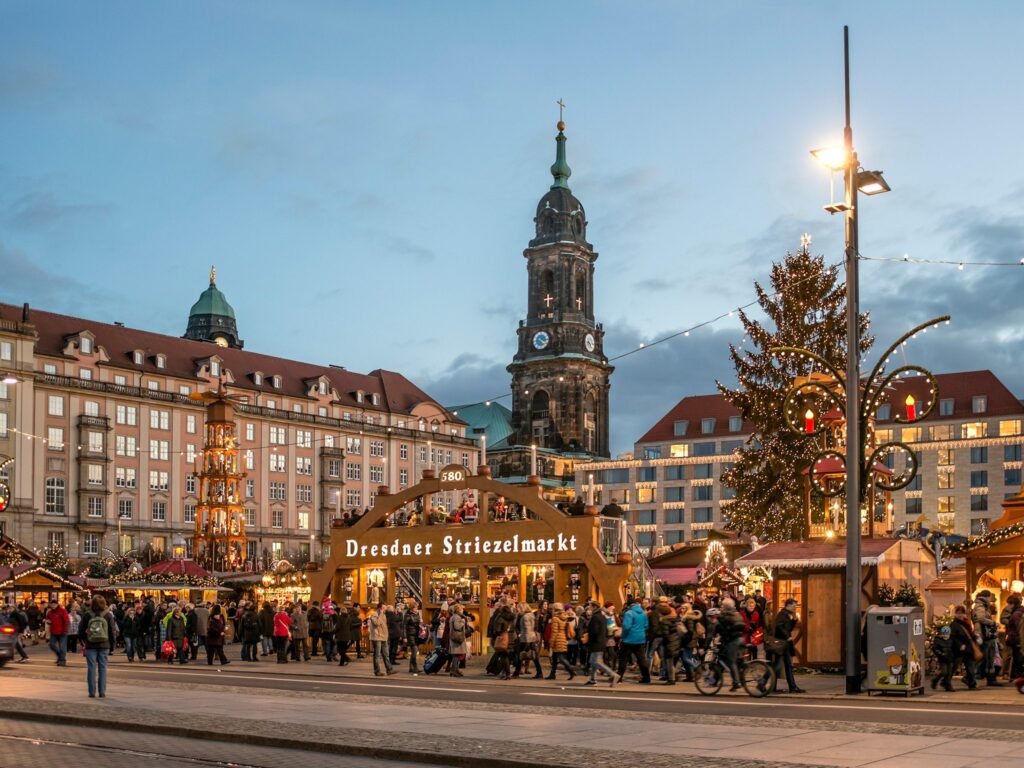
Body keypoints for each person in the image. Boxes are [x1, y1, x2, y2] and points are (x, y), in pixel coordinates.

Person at [79, 595, 116, 698]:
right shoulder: (108, 615)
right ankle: (102, 692)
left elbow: (80, 631)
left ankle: (91, 692)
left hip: (90, 645)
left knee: (91, 668)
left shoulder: (87, 615)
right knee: (103, 668)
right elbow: (112, 631)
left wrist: (84, 642)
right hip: (104, 644)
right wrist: (112, 645)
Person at [770, 598, 804, 693]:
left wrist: (794, 621)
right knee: (777, 666)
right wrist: (787, 636)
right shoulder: (782, 614)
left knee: (788, 665)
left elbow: (788, 628)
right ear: (788, 605)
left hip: (785, 644)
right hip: (781, 644)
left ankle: (792, 687)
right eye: (794, 605)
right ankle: (763, 683)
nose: (795, 607)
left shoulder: (787, 614)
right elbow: (779, 626)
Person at [615, 598, 651, 684]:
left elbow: (626, 627)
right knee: (642, 659)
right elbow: (646, 626)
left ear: (629, 605)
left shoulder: (629, 613)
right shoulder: (643, 613)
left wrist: (623, 636)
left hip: (629, 639)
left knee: (623, 659)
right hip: (640, 639)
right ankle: (646, 678)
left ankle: (619, 678)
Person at [715, 597, 746, 691]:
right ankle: (740, 681)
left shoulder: (725, 616)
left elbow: (720, 629)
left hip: (733, 641)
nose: (721, 607)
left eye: (722, 606)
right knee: (738, 662)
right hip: (741, 639)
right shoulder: (737, 614)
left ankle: (736, 683)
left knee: (731, 661)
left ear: (725, 607)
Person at [973, 591, 1001, 686]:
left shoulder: (982, 605)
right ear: (986, 597)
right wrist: (993, 623)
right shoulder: (980, 605)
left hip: (985, 635)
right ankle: (970, 677)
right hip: (983, 635)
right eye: (990, 597)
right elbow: (981, 618)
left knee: (989, 657)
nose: (991, 599)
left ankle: (991, 679)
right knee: (984, 657)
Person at [585, 602, 617, 687]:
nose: (590, 609)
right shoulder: (602, 616)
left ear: (595, 607)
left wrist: (589, 639)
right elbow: (607, 630)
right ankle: (593, 679)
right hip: (602, 641)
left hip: (596, 642)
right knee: (593, 661)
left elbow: (594, 631)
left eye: (591, 607)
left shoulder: (595, 617)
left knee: (595, 662)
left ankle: (613, 674)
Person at [545, 603, 576, 680]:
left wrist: (551, 643)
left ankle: (571, 671)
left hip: (557, 639)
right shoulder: (564, 617)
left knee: (561, 658)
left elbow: (554, 632)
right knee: (555, 658)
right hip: (563, 638)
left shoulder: (555, 618)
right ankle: (552, 674)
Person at [950, 605, 978, 689]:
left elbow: (970, 634)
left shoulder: (966, 623)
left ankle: (972, 684)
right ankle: (945, 681)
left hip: (968, 649)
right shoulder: (954, 624)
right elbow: (953, 637)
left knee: (971, 667)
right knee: (953, 667)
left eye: (961, 613)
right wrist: (960, 644)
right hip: (959, 650)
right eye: (958, 613)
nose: (960, 615)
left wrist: (975, 638)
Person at [489, 599, 517, 680]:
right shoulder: (513, 617)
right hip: (511, 638)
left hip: (503, 639)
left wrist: (495, 635)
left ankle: (507, 674)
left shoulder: (500, 618)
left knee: (503, 656)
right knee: (507, 656)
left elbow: (497, 629)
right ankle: (506, 673)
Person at [515, 602, 540, 679]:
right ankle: (539, 672)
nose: (517, 609)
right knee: (534, 656)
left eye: (518, 608)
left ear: (522, 608)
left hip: (526, 638)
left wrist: (527, 641)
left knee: (519, 656)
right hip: (531, 637)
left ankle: (516, 673)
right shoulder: (531, 615)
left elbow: (527, 629)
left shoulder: (525, 617)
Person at [369, 602, 395, 676]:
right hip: (377, 637)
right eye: (383, 608)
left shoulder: (384, 615)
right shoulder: (375, 614)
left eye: (385, 608)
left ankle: (389, 670)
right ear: (379, 608)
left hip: (383, 637)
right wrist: (380, 614)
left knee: (386, 654)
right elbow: (377, 623)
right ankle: (377, 671)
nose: (384, 609)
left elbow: (384, 626)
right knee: (377, 655)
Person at [447, 604, 471, 677]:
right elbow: (457, 626)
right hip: (457, 638)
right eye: (462, 609)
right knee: (457, 655)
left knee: (456, 655)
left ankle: (455, 670)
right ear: (459, 610)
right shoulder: (457, 617)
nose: (463, 610)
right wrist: (463, 621)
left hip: (454, 637)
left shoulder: (453, 616)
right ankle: (453, 671)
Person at [45, 598, 69, 667]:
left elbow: (66, 620)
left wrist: (65, 630)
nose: (53, 605)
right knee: (52, 644)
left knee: (62, 647)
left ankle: (62, 661)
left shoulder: (62, 611)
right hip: (54, 632)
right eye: (52, 604)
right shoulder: (50, 612)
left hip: (62, 632)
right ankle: (60, 655)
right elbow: (48, 620)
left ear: (57, 604)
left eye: (54, 604)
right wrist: (48, 621)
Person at [931, 624, 955, 691]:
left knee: (949, 673)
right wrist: (941, 654)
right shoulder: (938, 640)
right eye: (944, 634)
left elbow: (954, 648)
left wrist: (953, 655)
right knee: (944, 672)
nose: (945, 635)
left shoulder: (951, 640)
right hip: (943, 659)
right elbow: (935, 649)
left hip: (950, 659)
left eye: (947, 634)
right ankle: (935, 680)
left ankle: (948, 686)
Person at [403, 600, 423, 674]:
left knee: (414, 651)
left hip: (417, 635)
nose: (417, 608)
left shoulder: (417, 614)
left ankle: (411, 668)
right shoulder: (408, 615)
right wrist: (404, 637)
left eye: (417, 607)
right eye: (415, 607)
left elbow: (419, 624)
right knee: (414, 651)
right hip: (410, 635)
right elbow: (404, 626)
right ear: (412, 608)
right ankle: (415, 668)